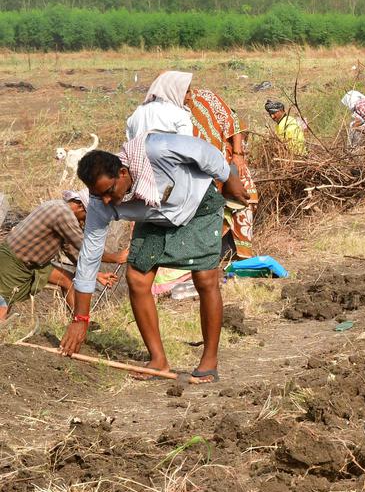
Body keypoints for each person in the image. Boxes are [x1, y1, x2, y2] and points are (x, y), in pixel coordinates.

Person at [62, 136, 251, 383]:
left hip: (198, 206)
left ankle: (209, 361)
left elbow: (205, 152)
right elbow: (89, 256)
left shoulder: (157, 150)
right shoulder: (100, 203)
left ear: (123, 172)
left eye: (110, 191)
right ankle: (158, 360)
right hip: (155, 219)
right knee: (137, 278)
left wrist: (230, 177)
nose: (107, 200)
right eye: (100, 195)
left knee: (205, 279)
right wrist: (81, 319)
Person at [0, 191, 125, 321]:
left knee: (68, 281)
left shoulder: (60, 209)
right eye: (87, 216)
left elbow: (70, 249)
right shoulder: (63, 214)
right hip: (13, 261)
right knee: (4, 303)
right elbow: (85, 247)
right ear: (80, 206)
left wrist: (95, 274)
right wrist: (114, 257)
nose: (85, 221)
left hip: (34, 264)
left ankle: (80, 322)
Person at [189, 86, 259, 260]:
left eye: (189, 91)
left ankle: (240, 257)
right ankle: (216, 257)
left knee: (242, 202)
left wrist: (237, 154)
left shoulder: (206, 97)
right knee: (209, 212)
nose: (188, 95)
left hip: (228, 164)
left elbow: (233, 122)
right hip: (201, 174)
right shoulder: (170, 110)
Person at [125, 70, 194, 140]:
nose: (189, 97)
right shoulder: (180, 115)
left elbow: (130, 142)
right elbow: (186, 147)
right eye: (186, 92)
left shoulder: (138, 112)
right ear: (173, 90)